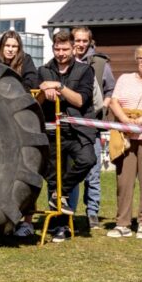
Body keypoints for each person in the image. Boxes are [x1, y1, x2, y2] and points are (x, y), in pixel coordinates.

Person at [37, 29, 97, 243]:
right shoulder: (43, 70)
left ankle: (62, 192)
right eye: (57, 49)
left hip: (78, 132)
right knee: (53, 178)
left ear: (73, 48)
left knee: (88, 159)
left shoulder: (85, 71)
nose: (61, 53)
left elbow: (81, 100)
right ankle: (59, 227)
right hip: (53, 133)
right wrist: (44, 91)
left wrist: (59, 86)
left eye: (65, 49)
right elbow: (36, 103)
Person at [0, 31, 41, 239]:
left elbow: (31, 83)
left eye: (14, 46)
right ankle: (4, 221)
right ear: (1, 47)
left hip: (22, 125)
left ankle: (28, 222)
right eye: (7, 45)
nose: (11, 49)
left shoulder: (27, 62)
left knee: (26, 172)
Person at [70, 26, 115, 230]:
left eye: (84, 41)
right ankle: (69, 212)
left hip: (92, 125)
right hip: (70, 126)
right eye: (77, 40)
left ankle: (92, 213)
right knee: (72, 171)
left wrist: (103, 106)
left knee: (93, 171)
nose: (80, 44)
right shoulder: (65, 62)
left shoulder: (100, 63)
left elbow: (110, 90)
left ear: (90, 42)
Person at [105, 45, 142, 238]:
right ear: (137, 60)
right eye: (141, 59)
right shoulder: (124, 79)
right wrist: (126, 122)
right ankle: (123, 224)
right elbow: (114, 101)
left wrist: (140, 121)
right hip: (125, 137)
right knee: (124, 181)